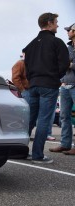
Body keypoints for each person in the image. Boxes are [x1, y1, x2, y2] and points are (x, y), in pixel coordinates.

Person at [23, 13, 69, 164]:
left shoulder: (30, 45)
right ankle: (37, 155)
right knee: (43, 120)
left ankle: (20, 151)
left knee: (29, 120)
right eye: (56, 22)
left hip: (33, 85)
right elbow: (64, 65)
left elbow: (26, 67)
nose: (57, 25)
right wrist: (56, 79)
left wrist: (32, 80)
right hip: (48, 85)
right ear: (49, 23)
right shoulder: (57, 42)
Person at [50, 23, 75, 155]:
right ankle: (65, 145)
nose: (67, 32)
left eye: (69, 30)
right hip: (65, 87)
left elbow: (68, 64)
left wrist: (70, 64)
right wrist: (61, 81)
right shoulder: (68, 47)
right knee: (64, 117)